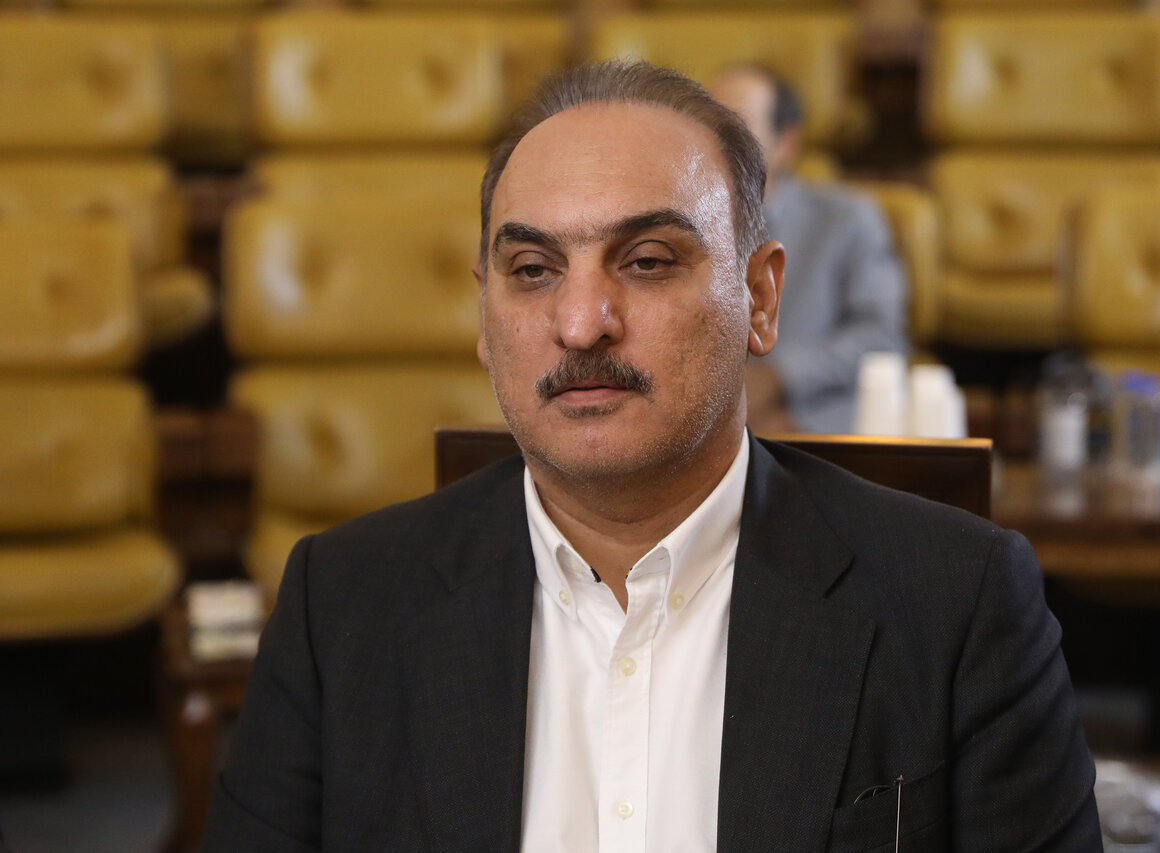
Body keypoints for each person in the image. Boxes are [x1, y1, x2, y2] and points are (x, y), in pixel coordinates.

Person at [203, 60, 1101, 851]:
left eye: (646, 261)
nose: (581, 322)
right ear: (484, 315)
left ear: (760, 298)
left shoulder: (958, 601)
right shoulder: (339, 605)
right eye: (533, 270)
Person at [711, 65, 909, 435]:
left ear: (787, 142)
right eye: (707, 125)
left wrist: (780, 377)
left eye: (737, 126)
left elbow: (882, 339)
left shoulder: (847, 219)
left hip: (815, 418)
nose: (716, 141)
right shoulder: (679, 227)